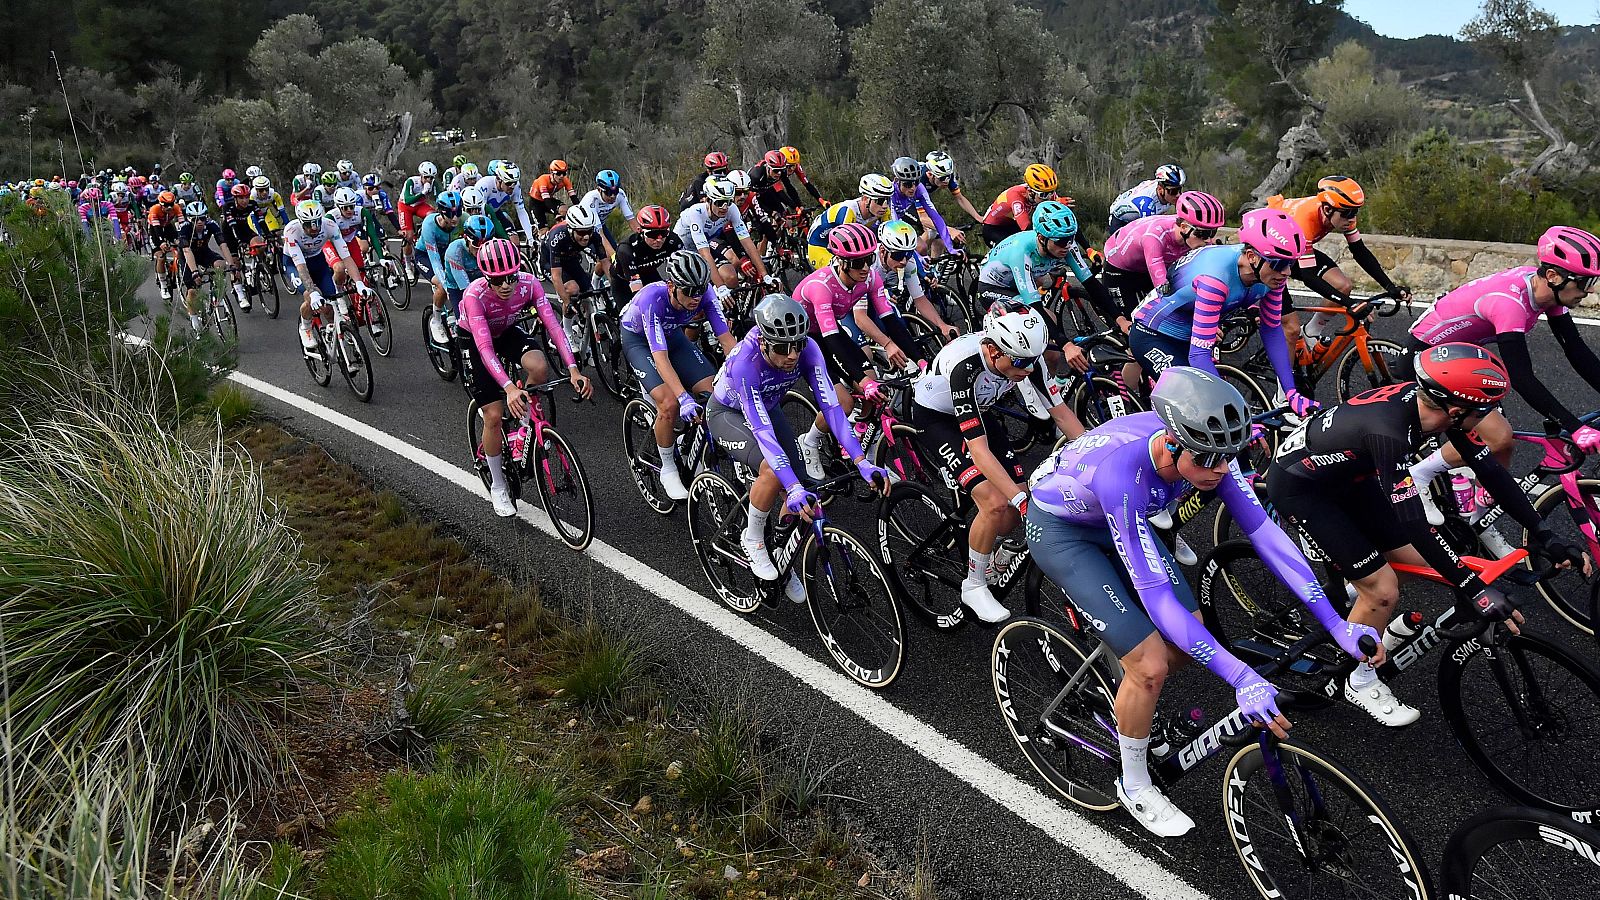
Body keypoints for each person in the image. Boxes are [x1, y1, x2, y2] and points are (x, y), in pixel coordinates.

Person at [1028, 367, 1381, 835]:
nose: (1220, 470)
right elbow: (1157, 601)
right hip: (1064, 532)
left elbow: (1269, 540)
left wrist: (1337, 625)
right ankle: (1133, 784)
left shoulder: (1208, 454)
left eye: (1227, 458)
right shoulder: (1124, 474)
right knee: (1150, 664)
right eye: (1210, 460)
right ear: (1173, 444)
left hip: (1117, 519)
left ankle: (1128, 695)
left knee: (1187, 638)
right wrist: (1241, 676)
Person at [1265, 343, 1584, 726]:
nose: (1492, 415)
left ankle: (1352, 593)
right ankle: (1359, 678)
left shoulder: (1441, 414)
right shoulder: (1390, 431)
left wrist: (1543, 533)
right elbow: (1415, 522)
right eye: (1486, 409)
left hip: (1352, 477)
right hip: (1304, 489)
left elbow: (1495, 476)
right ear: (1456, 409)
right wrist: (1474, 590)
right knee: (1382, 588)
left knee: (1422, 561)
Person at [707, 294, 890, 596]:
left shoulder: (808, 350)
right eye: (782, 347)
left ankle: (781, 557)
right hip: (729, 413)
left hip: (767, 406)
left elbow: (831, 408)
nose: (792, 354)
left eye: (798, 344)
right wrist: (789, 486)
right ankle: (752, 537)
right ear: (764, 342)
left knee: (804, 488)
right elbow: (763, 431)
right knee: (775, 472)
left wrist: (861, 460)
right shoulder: (746, 364)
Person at [910, 310, 1084, 623]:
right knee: (995, 501)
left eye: (1033, 360)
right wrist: (1018, 501)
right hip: (937, 417)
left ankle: (988, 550)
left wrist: (1098, 453)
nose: (1028, 369)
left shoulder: (1026, 356)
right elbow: (978, 449)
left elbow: (1062, 415)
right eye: (1020, 362)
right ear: (993, 350)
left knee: (1015, 506)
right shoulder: (966, 367)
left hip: (979, 408)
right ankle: (973, 585)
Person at [1404, 227, 1600, 499]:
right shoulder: (1510, 304)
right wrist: (1576, 428)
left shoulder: (1548, 292)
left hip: (1463, 356)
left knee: (1501, 448)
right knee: (1497, 436)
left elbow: (1577, 352)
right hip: (1428, 355)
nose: (1588, 292)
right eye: (1584, 283)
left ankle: (1482, 513)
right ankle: (1419, 475)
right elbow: (1521, 377)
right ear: (1553, 276)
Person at [1130, 207, 1315, 419]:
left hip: (1189, 334)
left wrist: (1291, 392)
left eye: (1291, 263)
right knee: (1192, 407)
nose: (1286, 272)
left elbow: (1272, 330)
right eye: (1280, 263)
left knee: (1214, 412)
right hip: (1153, 334)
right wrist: (1232, 415)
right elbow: (1199, 355)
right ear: (1252, 256)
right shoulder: (1215, 279)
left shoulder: (1270, 276)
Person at [462, 238, 592, 517]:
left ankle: (525, 423)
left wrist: (573, 369)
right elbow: (485, 349)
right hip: (476, 340)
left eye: (511, 276)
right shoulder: (475, 296)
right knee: (494, 415)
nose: (506, 285)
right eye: (498, 280)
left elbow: (554, 328)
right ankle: (498, 485)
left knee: (539, 366)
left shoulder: (529, 283)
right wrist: (509, 388)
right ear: (485, 277)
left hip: (506, 330)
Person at [792, 222, 923, 480]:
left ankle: (868, 449)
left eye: (868, 259)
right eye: (858, 262)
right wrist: (860, 380)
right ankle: (809, 441)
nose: (865, 268)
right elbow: (830, 342)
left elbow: (891, 320)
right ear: (841, 262)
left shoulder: (870, 278)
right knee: (844, 400)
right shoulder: (822, 286)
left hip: (830, 332)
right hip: (805, 339)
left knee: (873, 383)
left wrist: (921, 360)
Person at [621, 251, 736, 499]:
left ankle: (688, 442)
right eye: (688, 291)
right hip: (639, 341)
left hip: (672, 335)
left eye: (700, 289)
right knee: (669, 403)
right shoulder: (653, 297)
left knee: (714, 394)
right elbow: (660, 358)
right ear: (672, 286)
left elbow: (726, 340)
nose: (696, 297)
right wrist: (683, 396)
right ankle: (668, 467)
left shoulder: (703, 294)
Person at [1266, 176, 1410, 344]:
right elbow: (1309, 277)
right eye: (1347, 213)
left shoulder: (1342, 213)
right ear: (1327, 209)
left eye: (1355, 211)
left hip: (1293, 248)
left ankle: (1311, 332)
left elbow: (1360, 252)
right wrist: (1350, 304)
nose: (1351, 218)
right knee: (1291, 330)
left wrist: (1389, 286)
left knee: (1343, 286)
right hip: (1271, 254)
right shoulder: (1304, 222)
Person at [974, 200, 1123, 347]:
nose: (1068, 245)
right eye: (1061, 241)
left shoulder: (1065, 245)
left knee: (1051, 345)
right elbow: (1035, 307)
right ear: (1041, 238)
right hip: (992, 288)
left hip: (1019, 278)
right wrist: (1066, 345)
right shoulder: (1021, 251)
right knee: (1042, 324)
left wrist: (1120, 319)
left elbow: (1090, 283)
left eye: (1071, 238)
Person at [1101, 191, 1225, 319]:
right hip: (1119, 267)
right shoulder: (1154, 237)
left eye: (1212, 233)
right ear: (1183, 227)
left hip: (1145, 266)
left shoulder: (1191, 236)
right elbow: (1162, 289)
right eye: (1203, 234)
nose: (1208, 240)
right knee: (1131, 323)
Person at [284, 199, 376, 351]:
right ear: (300, 222)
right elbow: (300, 266)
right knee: (310, 296)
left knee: (330, 302)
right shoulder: (291, 231)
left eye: (316, 222)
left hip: (317, 261)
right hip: (294, 264)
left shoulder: (329, 225)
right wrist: (313, 293)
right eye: (308, 224)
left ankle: (334, 332)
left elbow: (346, 257)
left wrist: (359, 283)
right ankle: (305, 327)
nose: (314, 228)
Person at [675, 175, 771, 300]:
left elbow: (747, 243)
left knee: (731, 277)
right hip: (683, 248)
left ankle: (732, 314)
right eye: (719, 202)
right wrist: (721, 288)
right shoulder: (696, 213)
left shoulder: (732, 209)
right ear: (708, 200)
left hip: (706, 243)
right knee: (696, 289)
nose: (725, 207)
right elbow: (704, 254)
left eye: (729, 201)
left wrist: (765, 275)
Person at [871, 219, 959, 343]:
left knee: (898, 330)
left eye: (908, 254)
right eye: (898, 256)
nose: (903, 261)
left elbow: (919, 299)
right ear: (882, 251)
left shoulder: (908, 262)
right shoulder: (869, 262)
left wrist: (942, 325)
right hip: (849, 298)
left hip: (881, 285)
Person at [175, 201, 243, 332]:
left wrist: (233, 266)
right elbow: (187, 251)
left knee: (220, 265)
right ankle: (194, 318)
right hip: (188, 256)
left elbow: (223, 245)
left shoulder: (212, 225)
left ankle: (217, 294)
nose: (199, 222)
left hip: (204, 252)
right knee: (193, 291)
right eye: (195, 219)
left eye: (202, 218)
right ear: (189, 219)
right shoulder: (184, 228)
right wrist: (194, 272)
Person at [806, 174, 893, 270]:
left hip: (835, 241)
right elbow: (849, 248)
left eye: (887, 200)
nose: (885, 205)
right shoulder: (848, 211)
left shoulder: (883, 210)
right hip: (819, 245)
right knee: (844, 270)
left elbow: (890, 237)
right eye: (880, 200)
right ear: (865, 199)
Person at [413, 189, 463, 346]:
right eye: (450, 214)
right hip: (426, 256)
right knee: (443, 284)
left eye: (458, 212)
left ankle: (456, 316)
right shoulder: (430, 224)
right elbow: (435, 261)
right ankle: (436, 320)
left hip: (448, 255)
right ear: (441, 213)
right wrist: (447, 288)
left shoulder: (464, 220)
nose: (455, 218)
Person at [888, 155, 961, 258]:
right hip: (886, 223)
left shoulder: (920, 189)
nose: (913, 188)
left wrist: (950, 248)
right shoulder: (891, 192)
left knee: (921, 248)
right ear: (897, 180)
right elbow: (894, 222)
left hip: (900, 220)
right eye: (908, 184)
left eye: (916, 182)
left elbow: (935, 217)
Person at [980, 164, 1066, 246]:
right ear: (1031, 192)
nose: (1048, 198)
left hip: (1011, 224)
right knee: (1016, 249)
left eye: (1052, 192)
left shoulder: (1043, 193)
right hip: (993, 228)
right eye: (1044, 195)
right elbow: (1027, 229)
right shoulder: (1016, 197)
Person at [617, 205, 686, 299]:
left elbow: (684, 271)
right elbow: (638, 291)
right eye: (652, 234)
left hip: (649, 273)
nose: (659, 239)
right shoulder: (626, 248)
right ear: (640, 231)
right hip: (623, 281)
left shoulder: (673, 240)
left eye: (663, 233)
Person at [576, 169, 637, 261]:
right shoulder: (591, 200)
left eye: (615, 191)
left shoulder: (620, 194)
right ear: (599, 189)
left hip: (600, 224)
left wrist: (646, 240)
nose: (613, 196)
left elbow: (632, 221)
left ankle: (595, 275)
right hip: (585, 229)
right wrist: (613, 257)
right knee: (606, 257)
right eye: (608, 192)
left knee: (616, 252)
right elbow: (600, 234)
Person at [1106, 164, 1186, 232]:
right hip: (1120, 220)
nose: (1178, 195)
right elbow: (1149, 233)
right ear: (1160, 189)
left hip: (1136, 216)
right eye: (1174, 191)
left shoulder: (1164, 188)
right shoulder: (1147, 203)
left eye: (1180, 190)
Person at [217, 184, 259, 311]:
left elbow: (261, 220)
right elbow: (232, 225)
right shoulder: (228, 206)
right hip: (229, 232)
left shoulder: (253, 204)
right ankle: (241, 295)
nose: (245, 201)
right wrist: (239, 241)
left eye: (246, 197)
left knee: (259, 243)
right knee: (235, 264)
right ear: (235, 198)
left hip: (244, 229)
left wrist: (268, 235)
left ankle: (258, 268)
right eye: (241, 198)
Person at [920, 150, 985, 225]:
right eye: (942, 178)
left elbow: (960, 198)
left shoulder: (945, 174)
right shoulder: (919, 180)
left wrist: (977, 217)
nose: (946, 181)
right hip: (907, 198)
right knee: (929, 230)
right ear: (930, 174)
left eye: (948, 177)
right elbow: (922, 217)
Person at [146, 190, 183, 300]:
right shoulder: (154, 210)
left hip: (167, 227)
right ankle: (163, 285)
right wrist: (162, 242)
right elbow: (157, 231)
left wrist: (181, 239)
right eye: (166, 205)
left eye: (171, 205)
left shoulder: (176, 208)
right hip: (155, 230)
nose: (169, 208)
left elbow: (182, 224)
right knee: (161, 257)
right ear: (161, 204)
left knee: (180, 245)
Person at [398, 161, 438, 258]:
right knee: (408, 236)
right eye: (426, 177)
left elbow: (439, 196)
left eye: (431, 178)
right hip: (405, 206)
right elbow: (408, 200)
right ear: (421, 175)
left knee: (433, 215)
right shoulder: (411, 181)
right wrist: (422, 193)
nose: (428, 180)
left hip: (419, 205)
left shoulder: (433, 183)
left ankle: (424, 234)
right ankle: (407, 265)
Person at [527, 160, 577, 233]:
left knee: (564, 209)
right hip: (536, 203)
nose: (561, 176)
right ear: (551, 173)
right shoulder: (543, 180)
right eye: (559, 173)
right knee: (544, 231)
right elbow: (546, 200)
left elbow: (573, 197)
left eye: (564, 173)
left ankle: (559, 231)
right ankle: (537, 233)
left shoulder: (565, 180)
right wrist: (556, 213)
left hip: (548, 200)